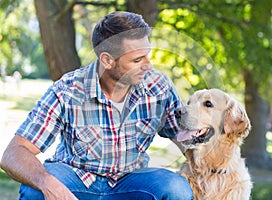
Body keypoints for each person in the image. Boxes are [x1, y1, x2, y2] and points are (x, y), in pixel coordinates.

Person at [0, 11, 193, 200]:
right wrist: (47, 183)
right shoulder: (68, 90)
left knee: (177, 188)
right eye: (137, 60)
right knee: (35, 191)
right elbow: (13, 153)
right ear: (107, 60)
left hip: (133, 181)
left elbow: (188, 140)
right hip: (76, 179)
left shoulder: (158, 87)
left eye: (147, 56)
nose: (148, 66)